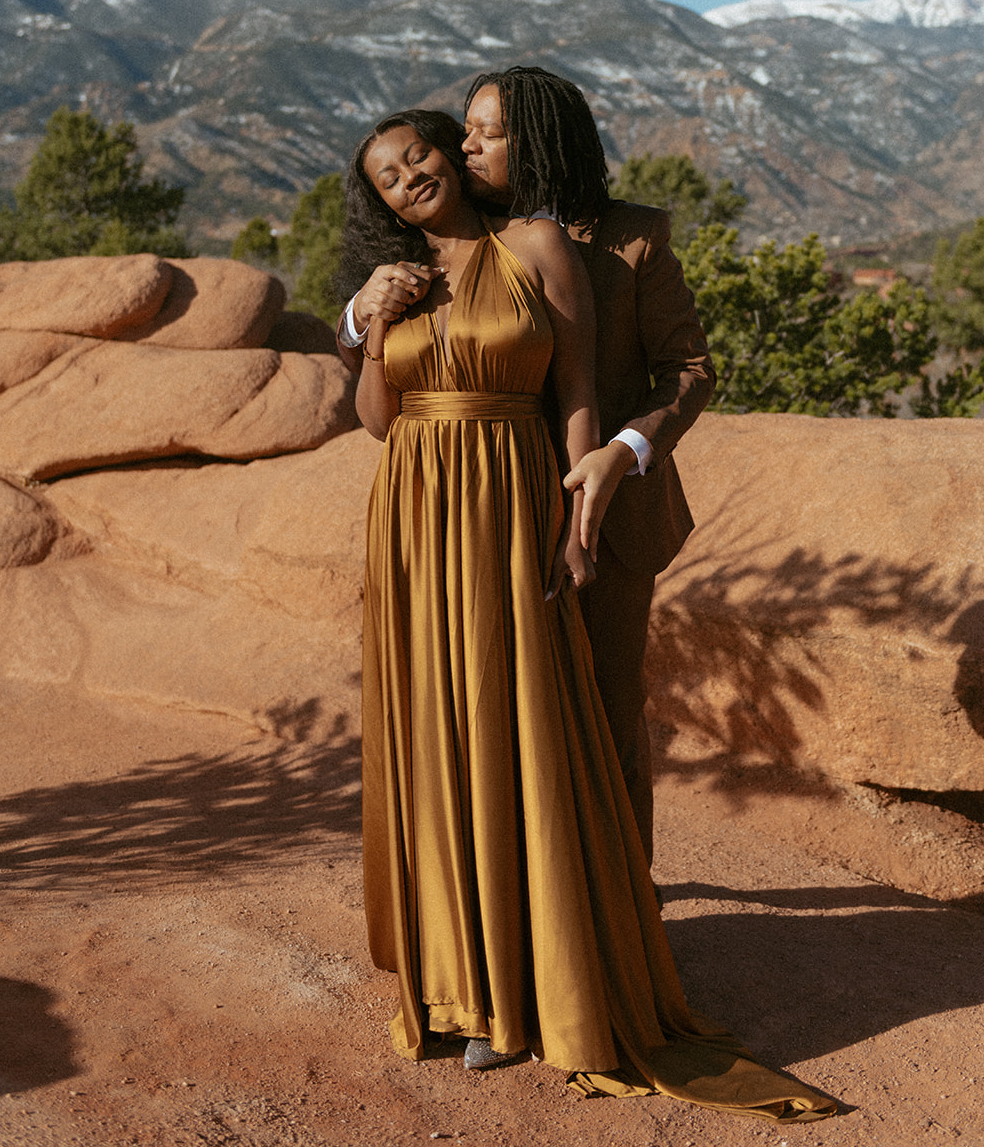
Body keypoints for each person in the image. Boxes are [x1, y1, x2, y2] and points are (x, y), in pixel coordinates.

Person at [340, 106, 835, 1118]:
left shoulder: (536, 247)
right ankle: (455, 977)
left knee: (529, 728)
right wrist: (370, 323)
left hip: (511, 501)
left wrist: (574, 521)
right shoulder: (396, 287)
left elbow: (575, 388)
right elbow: (375, 420)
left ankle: (550, 974)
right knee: (435, 735)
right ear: (379, 198)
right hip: (414, 519)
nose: (412, 175)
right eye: (387, 174)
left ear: (455, 152)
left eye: (426, 150)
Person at [458, 66, 714, 867]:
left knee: (606, 716)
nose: (465, 144)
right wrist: (359, 317)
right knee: (496, 722)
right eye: (465, 128)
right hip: (488, 514)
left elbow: (688, 370)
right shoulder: (463, 234)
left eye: (486, 131)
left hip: (610, 520)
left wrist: (622, 450)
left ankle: (625, 924)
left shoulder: (633, 238)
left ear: (534, 140)